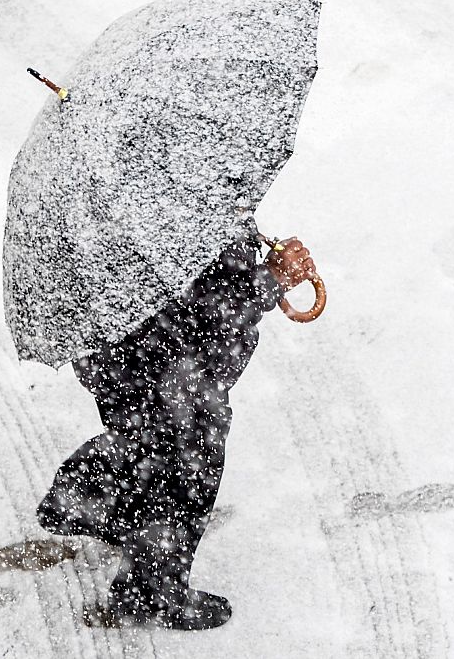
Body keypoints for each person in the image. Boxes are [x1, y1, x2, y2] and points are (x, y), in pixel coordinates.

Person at [36, 234, 316, 630]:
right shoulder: (178, 208)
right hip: (166, 365)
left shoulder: (132, 209)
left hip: (117, 351)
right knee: (186, 464)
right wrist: (269, 280)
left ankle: (84, 499)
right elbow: (200, 317)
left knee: (141, 436)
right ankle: (151, 593)